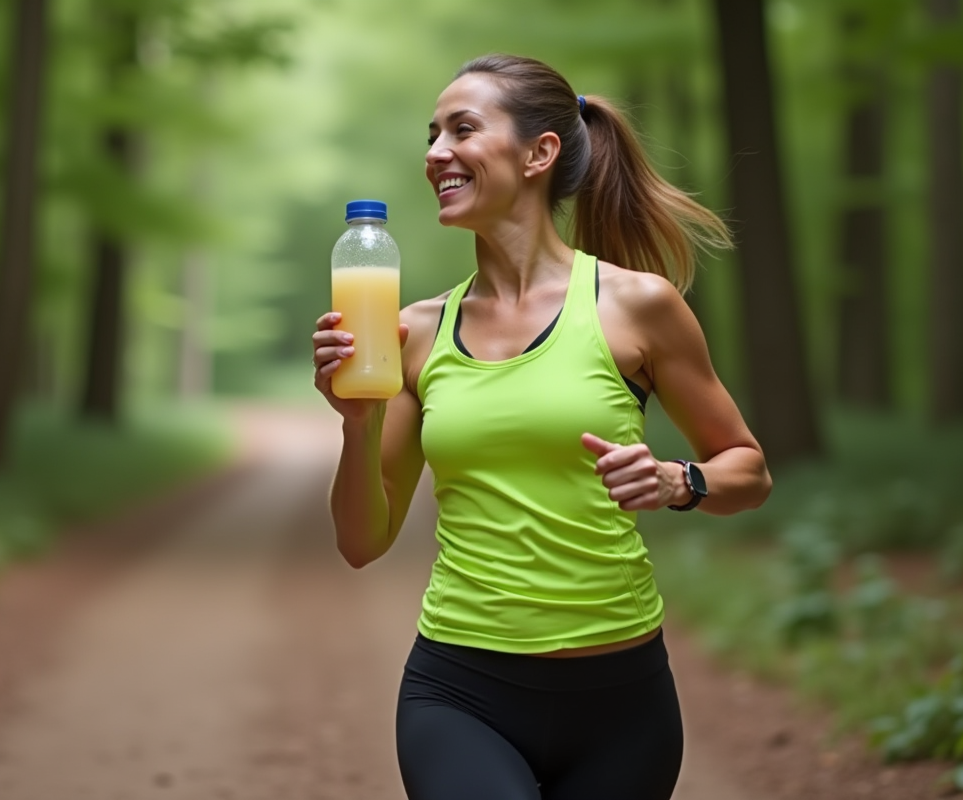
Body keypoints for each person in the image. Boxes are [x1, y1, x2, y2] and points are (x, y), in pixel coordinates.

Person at [310, 53, 771, 800]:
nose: (436, 153)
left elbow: (748, 470)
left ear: (539, 153)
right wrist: (358, 424)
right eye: (432, 136)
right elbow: (362, 543)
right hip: (461, 691)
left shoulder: (638, 306)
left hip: (621, 701)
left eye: (462, 129)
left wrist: (678, 480)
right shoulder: (414, 333)